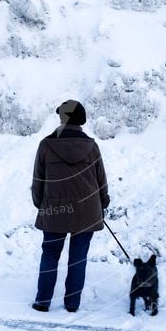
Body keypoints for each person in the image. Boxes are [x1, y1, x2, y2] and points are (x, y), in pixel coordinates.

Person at [30, 99, 110, 313]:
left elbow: (39, 179)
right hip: (87, 211)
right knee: (78, 258)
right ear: (81, 120)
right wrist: (103, 203)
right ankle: (72, 303)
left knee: (50, 254)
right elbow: (100, 179)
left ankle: (42, 301)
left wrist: (40, 204)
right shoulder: (92, 147)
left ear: (62, 118)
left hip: (54, 211)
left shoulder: (46, 145)